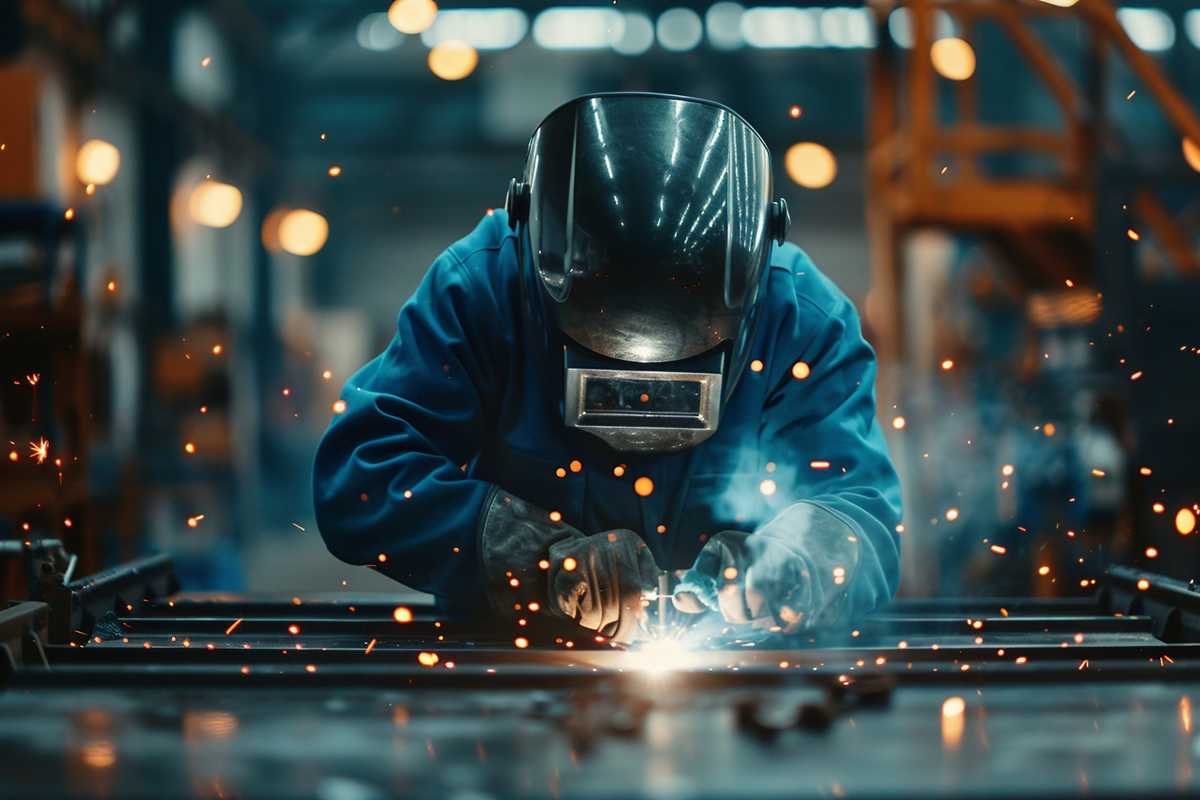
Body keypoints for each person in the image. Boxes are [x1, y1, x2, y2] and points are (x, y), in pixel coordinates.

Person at [313, 93, 901, 643]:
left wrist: (798, 561)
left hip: (734, 678)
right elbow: (360, 478)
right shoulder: (482, 291)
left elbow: (862, 511)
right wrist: (531, 557)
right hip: (512, 666)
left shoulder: (800, 319)